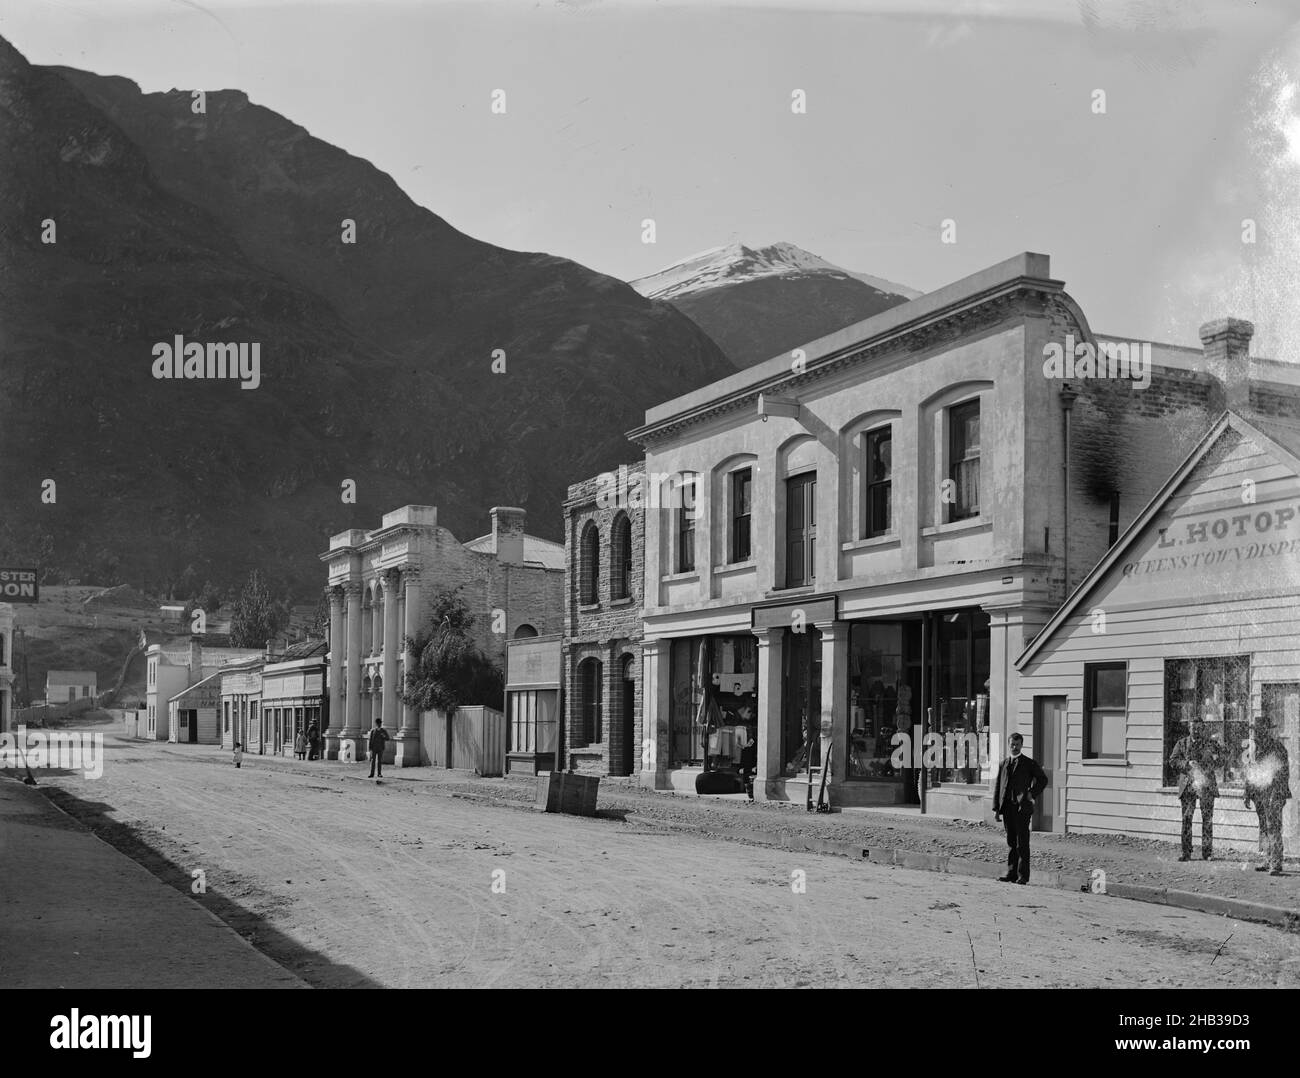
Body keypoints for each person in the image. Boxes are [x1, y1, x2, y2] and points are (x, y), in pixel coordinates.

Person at [993, 732, 1048, 884]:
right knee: (1011, 842)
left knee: (1022, 843)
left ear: (1022, 745)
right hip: (1007, 808)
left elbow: (1043, 779)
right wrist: (996, 809)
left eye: (1017, 744)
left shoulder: (1029, 763)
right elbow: (998, 786)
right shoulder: (1004, 763)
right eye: (1012, 744)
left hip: (1022, 808)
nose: (1015, 747)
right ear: (1009, 745)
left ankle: (1023, 876)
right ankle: (1011, 873)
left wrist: (1031, 794)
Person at [1169, 718, 1225, 861]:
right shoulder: (1182, 744)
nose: (1196, 730)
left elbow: (1223, 759)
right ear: (1189, 728)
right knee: (1187, 819)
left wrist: (1209, 765)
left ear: (1203, 729)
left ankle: (1207, 853)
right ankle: (1186, 853)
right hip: (1188, 785)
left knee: (1207, 819)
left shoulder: (1211, 744)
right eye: (1194, 728)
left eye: (1199, 728)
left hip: (1206, 785)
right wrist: (1187, 764)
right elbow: (1172, 761)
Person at [1244, 721, 1291, 876]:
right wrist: (1247, 794)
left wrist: (1276, 795)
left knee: (1273, 827)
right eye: (1254, 732)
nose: (1255, 735)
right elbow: (1250, 772)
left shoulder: (1277, 748)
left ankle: (1276, 863)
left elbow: (1283, 775)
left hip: (1274, 794)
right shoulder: (1254, 749)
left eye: (1259, 731)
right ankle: (1267, 859)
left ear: (1266, 731)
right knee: (1264, 827)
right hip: (1260, 794)